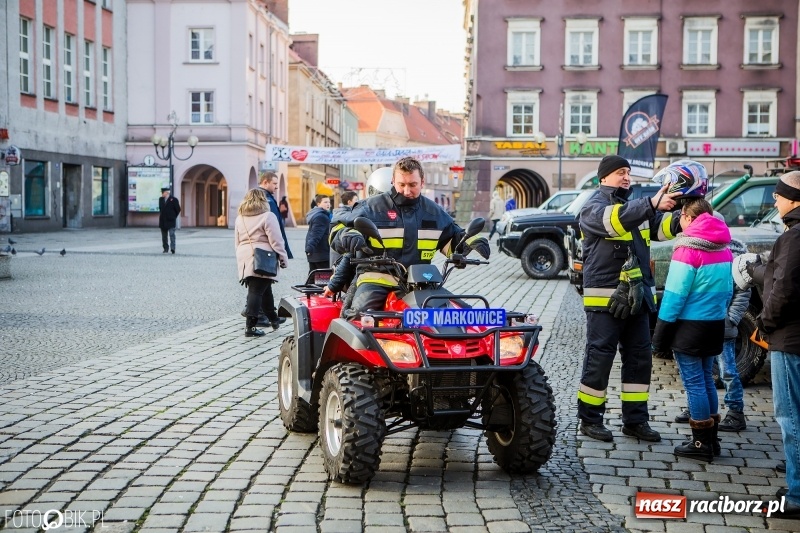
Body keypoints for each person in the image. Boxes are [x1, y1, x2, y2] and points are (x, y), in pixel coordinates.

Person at [577, 155, 684, 443]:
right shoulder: (594, 206)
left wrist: (684, 216)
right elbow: (614, 221)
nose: (626, 177)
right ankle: (589, 419)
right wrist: (649, 205)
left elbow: (660, 228)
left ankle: (635, 421)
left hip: (637, 299)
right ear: (603, 178)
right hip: (606, 299)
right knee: (599, 358)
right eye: (619, 172)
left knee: (639, 359)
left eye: (627, 172)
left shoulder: (632, 208)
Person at [329, 157, 490, 320]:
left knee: (465, 317)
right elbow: (338, 226)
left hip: (421, 283)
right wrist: (346, 235)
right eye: (402, 184)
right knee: (359, 318)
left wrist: (470, 242)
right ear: (393, 181)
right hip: (377, 280)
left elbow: (452, 239)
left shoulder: (434, 212)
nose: (407, 191)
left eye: (412, 185)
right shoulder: (371, 207)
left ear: (422, 182)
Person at [651, 198, 732, 462]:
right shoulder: (723, 246)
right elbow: (729, 291)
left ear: (686, 216)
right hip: (714, 322)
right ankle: (712, 440)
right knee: (707, 378)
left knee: (694, 382)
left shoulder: (687, 249)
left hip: (690, 325)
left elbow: (675, 295)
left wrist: (660, 333)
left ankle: (700, 444)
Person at [746, 171, 800, 517]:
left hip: (790, 338)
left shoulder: (794, 236)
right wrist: (759, 270)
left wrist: (765, 322)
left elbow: (784, 287)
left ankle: (796, 495)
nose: (774, 201)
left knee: (789, 415)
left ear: (794, 199)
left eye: (779, 196)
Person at [675, 238, 750, 433]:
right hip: (707, 326)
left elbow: (742, 295)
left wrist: (729, 320)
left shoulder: (735, 259)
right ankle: (697, 408)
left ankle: (735, 411)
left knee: (727, 371)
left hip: (723, 327)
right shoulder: (708, 255)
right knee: (701, 375)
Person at [324, 169, 393, 307]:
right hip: (368, 277)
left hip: (404, 280)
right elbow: (349, 257)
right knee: (353, 314)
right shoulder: (361, 216)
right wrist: (333, 286)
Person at [235, 189, 288, 337]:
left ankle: (273, 319)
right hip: (263, 256)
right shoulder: (268, 216)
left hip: (245, 255)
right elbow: (276, 241)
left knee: (264, 288)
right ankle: (250, 327)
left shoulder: (240, 218)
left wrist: (241, 259)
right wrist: (283, 258)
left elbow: (237, 241)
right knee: (256, 291)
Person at [259, 173, 293, 259]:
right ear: (265, 182)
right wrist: (281, 252)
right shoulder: (268, 201)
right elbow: (274, 229)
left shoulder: (252, 199)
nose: (277, 187)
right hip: (268, 248)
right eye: (274, 183)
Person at [305, 194, 332, 272]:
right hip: (321, 253)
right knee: (322, 279)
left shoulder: (316, 214)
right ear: (318, 204)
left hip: (316, 253)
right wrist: (310, 249)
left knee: (314, 278)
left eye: (329, 202)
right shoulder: (321, 217)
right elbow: (316, 234)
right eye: (325, 202)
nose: (328, 204)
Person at [159, 187, 181, 254]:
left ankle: (173, 248)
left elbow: (178, 209)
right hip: (163, 220)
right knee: (164, 236)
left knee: (172, 235)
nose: (162, 194)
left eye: (163, 193)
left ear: (166, 193)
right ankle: (165, 248)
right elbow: (161, 208)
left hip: (171, 220)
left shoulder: (174, 200)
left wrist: (173, 216)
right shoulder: (161, 199)